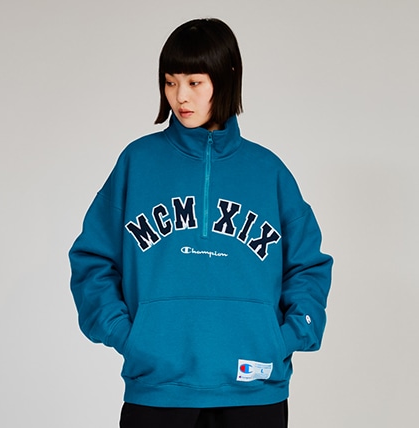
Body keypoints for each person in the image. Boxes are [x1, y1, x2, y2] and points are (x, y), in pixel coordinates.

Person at [69, 18, 333, 428]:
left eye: (194, 82)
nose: (180, 97)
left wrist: (285, 337)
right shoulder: (138, 163)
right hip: (158, 389)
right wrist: (128, 336)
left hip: (254, 388)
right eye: (170, 82)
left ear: (226, 78)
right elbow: (93, 260)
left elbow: (308, 267)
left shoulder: (268, 172)